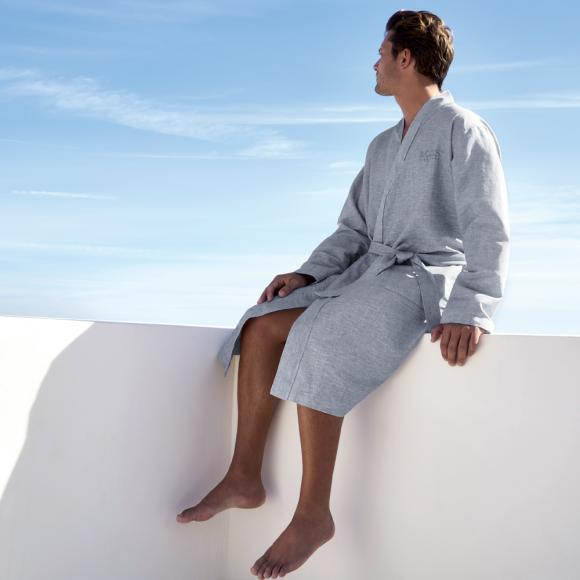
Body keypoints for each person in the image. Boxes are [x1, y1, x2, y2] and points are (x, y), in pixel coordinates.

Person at [176, 9, 510, 579]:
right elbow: (353, 231)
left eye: (382, 53)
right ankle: (243, 476)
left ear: (406, 57)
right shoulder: (381, 146)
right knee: (263, 323)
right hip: (368, 272)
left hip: (423, 277)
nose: (374, 64)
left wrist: (472, 306)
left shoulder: (464, 129)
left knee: (322, 336)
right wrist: (308, 275)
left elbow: (487, 223)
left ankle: (313, 515)